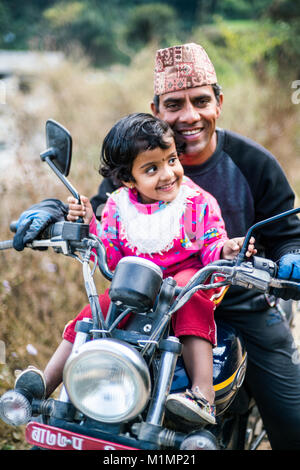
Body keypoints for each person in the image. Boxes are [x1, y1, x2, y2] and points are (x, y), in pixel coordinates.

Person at [12, 43, 300, 448]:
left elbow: (289, 231)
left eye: (200, 100)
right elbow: (98, 216)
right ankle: (45, 386)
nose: (189, 116)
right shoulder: (131, 167)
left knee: (292, 420)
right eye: (174, 104)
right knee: (92, 340)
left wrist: (291, 256)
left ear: (218, 102)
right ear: (156, 109)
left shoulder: (254, 164)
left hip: (240, 302)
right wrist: (55, 211)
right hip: (146, 303)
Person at [15, 112, 256, 425]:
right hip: (138, 281)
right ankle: (43, 385)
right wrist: (89, 225)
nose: (168, 173)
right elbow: (112, 258)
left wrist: (225, 249)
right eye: (152, 168)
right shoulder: (118, 206)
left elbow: (211, 244)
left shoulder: (197, 203)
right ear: (129, 178)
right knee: (96, 310)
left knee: (185, 297)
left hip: (186, 275)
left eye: (172, 160)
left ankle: (202, 393)